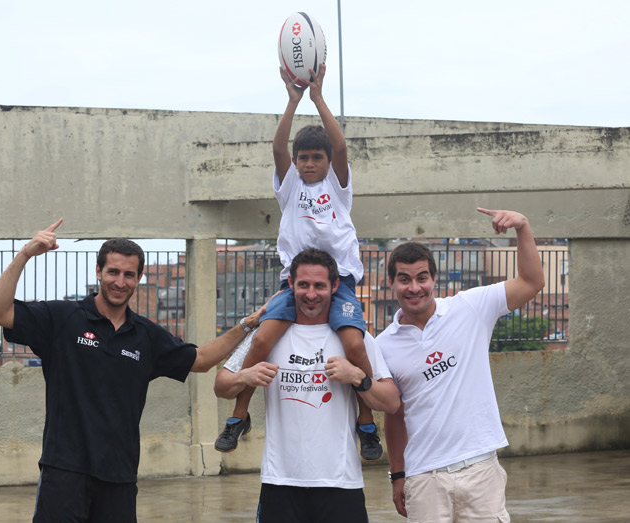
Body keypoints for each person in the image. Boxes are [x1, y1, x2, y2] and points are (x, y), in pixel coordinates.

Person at [0, 219, 265, 523]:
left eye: (129, 275)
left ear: (139, 277)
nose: (120, 282)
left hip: (119, 476)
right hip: (64, 471)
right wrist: (26, 253)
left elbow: (202, 360)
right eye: (113, 272)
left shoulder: (146, 336)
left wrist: (249, 324)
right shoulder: (63, 318)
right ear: (98, 272)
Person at [215, 63, 382, 462]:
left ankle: (366, 420)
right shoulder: (289, 188)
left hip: (337, 282)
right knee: (263, 340)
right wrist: (292, 101)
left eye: (316, 158)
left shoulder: (337, 189)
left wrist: (318, 97)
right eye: (303, 158)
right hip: (296, 282)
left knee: (354, 344)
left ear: (327, 162)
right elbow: (277, 149)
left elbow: (341, 148)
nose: (309, 164)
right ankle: (240, 416)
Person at [378, 208, 546, 522]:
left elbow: (532, 281)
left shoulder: (471, 307)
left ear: (434, 279)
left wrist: (523, 226)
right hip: (424, 478)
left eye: (422, 277)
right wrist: (397, 475)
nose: (414, 287)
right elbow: (394, 415)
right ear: (391, 283)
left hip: (481, 470)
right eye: (404, 279)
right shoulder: (382, 345)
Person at [215, 248, 401, 523]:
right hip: (280, 484)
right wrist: (245, 376)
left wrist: (358, 378)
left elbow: (392, 402)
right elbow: (221, 386)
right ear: (290, 284)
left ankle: (365, 428)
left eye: (319, 286)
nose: (311, 294)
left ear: (335, 286)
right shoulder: (266, 336)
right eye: (303, 284)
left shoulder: (356, 339)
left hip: (341, 484)